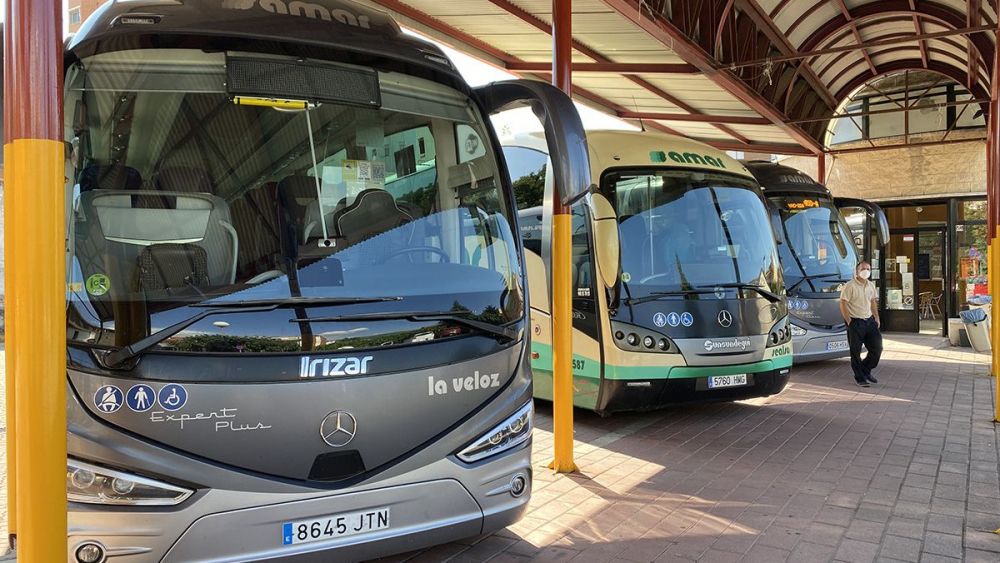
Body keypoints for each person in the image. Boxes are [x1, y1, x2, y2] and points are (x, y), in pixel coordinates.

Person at [839, 261, 882, 387]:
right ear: (857, 271)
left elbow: (873, 301)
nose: (866, 271)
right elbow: (843, 303)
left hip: (869, 321)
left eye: (868, 269)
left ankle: (865, 369)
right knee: (855, 351)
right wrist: (849, 321)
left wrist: (876, 317)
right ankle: (859, 377)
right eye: (863, 268)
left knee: (877, 348)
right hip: (855, 321)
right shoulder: (850, 286)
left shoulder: (871, 285)